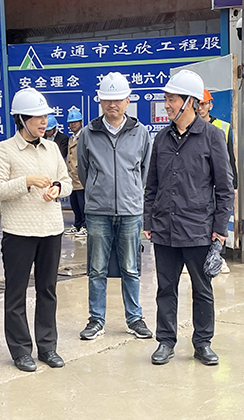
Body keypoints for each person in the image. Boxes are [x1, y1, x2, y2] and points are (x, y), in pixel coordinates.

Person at [143, 70, 234, 366]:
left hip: (199, 229)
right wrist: (148, 221)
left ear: (189, 102)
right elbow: (152, 185)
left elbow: (225, 187)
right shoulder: (161, 138)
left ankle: (203, 343)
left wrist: (220, 228)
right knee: (165, 288)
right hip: (165, 229)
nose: (166, 104)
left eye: (172, 99)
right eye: (166, 98)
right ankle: (165, 342)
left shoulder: (213, 136)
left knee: (202, 289)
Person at [0, 88, 72, 372]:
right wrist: (26, 181)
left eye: (45, 116)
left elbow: (67, 181)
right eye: (38, 117)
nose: (44, 122)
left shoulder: (52, 148)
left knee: (47, 290)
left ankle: (47, 347)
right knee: (16, 293)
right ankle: (21, 351)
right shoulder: (5, 149)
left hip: (51, 230)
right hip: (19, 233)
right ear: (22, 119)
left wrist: (57, 188)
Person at [77, 72, 153, 341]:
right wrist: (98, 191)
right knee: (96, 269)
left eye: (118, 99)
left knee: (131, 268)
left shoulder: (140, 132)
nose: (113, 104)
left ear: (128, 100)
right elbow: (83, 170)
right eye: (108, 99)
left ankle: (134, 318)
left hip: (131, 211)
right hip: (98, 211)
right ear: (100, 101)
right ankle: (96, 319)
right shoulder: (88, 133)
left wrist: (131, 193)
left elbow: (145, 170)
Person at [197, 89, 238, 274]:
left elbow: (230, 159)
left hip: (219, 184)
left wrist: (234, 185)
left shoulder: (223, 127)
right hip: (200, 185)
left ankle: (218, 258)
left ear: (210, 105)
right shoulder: (189, 127)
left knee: (220, 222)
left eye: (204, 104)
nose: (200, 108)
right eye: (197, 104)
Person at [64, 109, 86, 237]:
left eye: (75, 122)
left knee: (83, 203)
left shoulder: (85, 136)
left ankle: (85, 225)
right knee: (75, 203)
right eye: (71, 122)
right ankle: (77, 225)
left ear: (81, 122)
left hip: (81, 176)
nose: (73, 124)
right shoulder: (71, 138)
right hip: (72, 176)